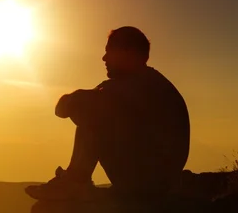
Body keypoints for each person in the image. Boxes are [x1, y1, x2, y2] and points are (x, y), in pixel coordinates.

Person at [25, 26, 190, 200]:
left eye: (109, 52)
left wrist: (79, 98)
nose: (104, 58)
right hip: (159, 179)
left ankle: (75, 180)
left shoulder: (135, 86)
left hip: (146, 181)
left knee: (93, 110)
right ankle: (75, 179)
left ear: (128, 52)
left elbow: (63, 109)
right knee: (93, 106)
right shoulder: (150, 83)